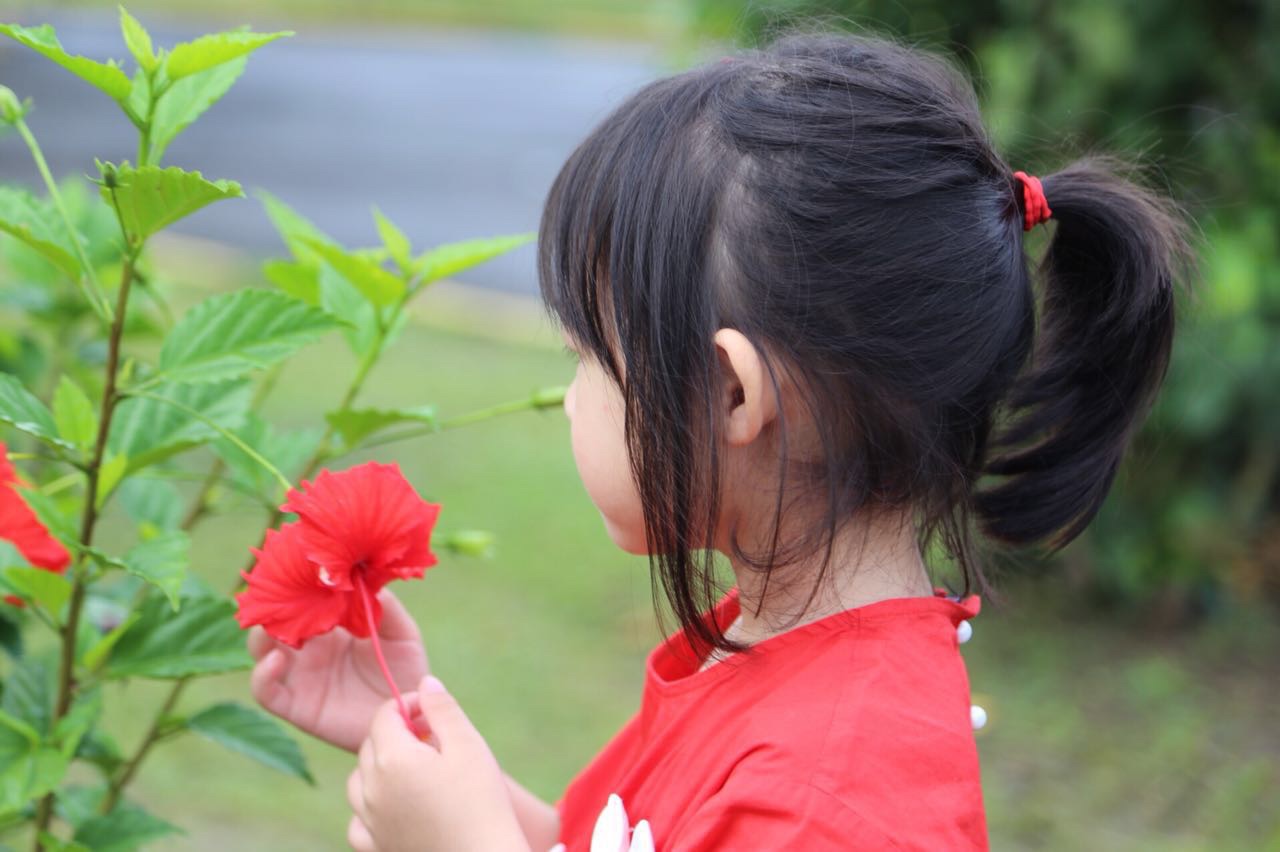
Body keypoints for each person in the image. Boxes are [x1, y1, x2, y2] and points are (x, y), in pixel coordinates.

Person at [247, 31, 1189, 851]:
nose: (570, 399)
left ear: (734, 392)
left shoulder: (842, 805)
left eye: (589, 356)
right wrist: (435, 767)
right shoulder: (763, 644)